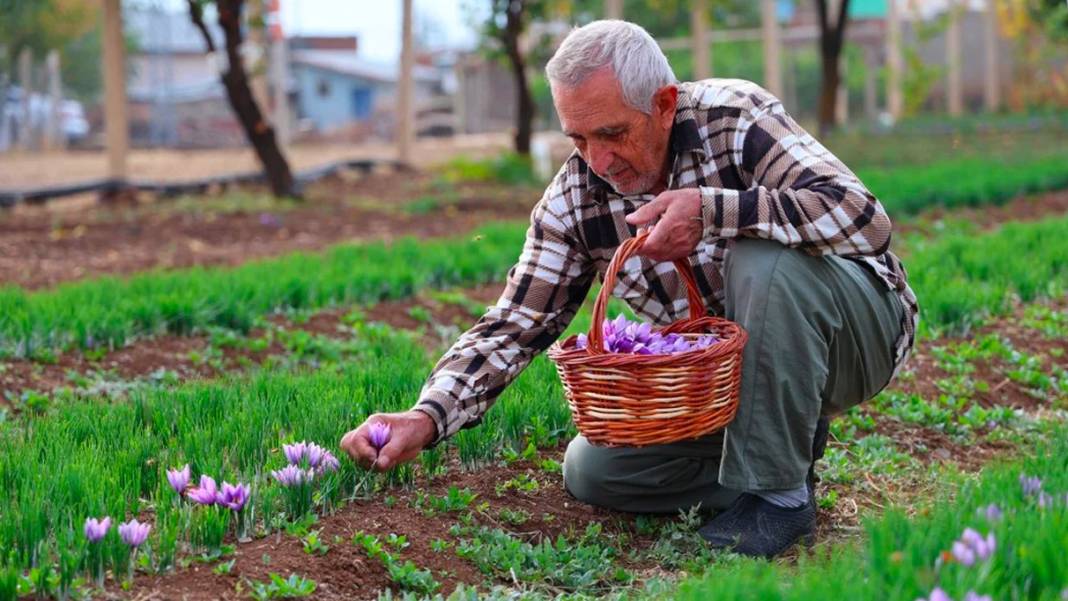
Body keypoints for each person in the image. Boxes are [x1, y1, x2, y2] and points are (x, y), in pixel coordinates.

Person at [341, 19, 918, 558]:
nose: (599, 161)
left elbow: (864, 218)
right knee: (593, 470)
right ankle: (779, 450)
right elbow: (517, 322)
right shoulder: (576, 198)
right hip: (727, 386)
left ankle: (780, 498)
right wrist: (427, 415)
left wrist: (714, 211)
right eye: (579, 139)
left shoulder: (734, 120)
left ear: (664, 105)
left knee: (761, 256)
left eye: (612, 134)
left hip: (853, 335)